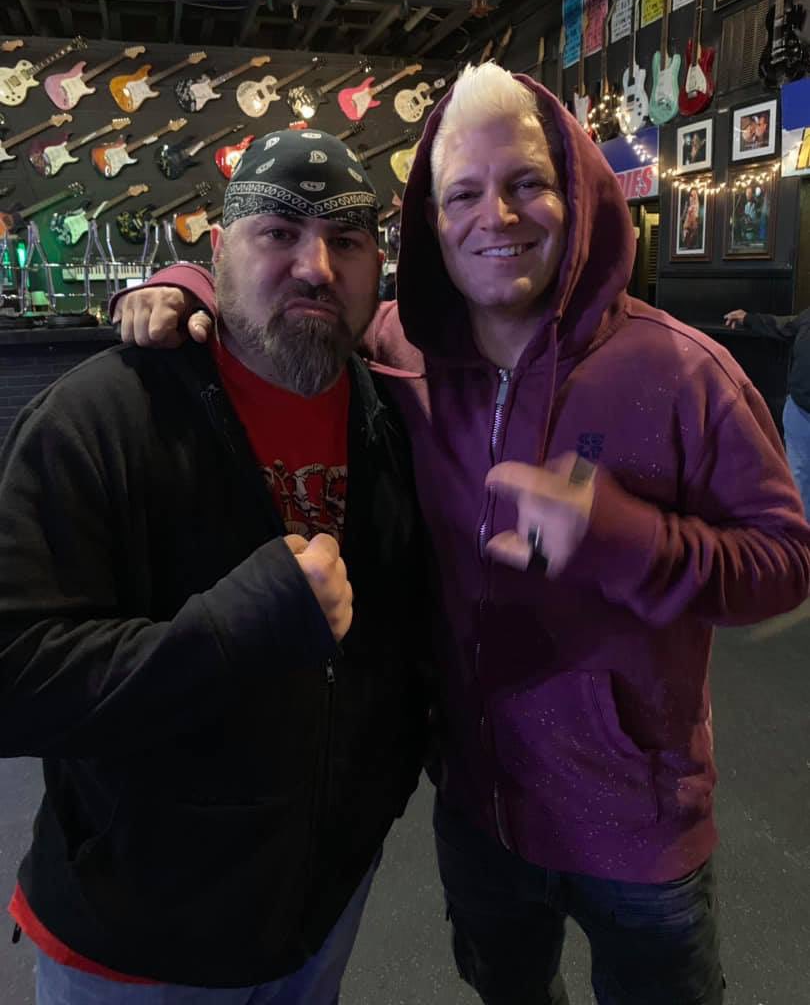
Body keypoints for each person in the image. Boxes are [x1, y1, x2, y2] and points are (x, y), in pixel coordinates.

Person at [112, 62, 810, 1005]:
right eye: (465, 194)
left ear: (581, 191)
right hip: (478, 806)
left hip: (638, 823)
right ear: (432, 220)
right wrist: (186, 280)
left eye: (527, 184)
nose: (499, 217)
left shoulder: (686, 371)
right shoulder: (399, 347)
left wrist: (626, 539)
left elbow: (785, 564)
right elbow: (289, 295)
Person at [0, 130, 429, 1001]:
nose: (315, 266)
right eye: (277, 231)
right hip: (136, 941)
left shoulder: (399, 421)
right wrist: (241, 627)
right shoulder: (99, 418)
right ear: (218, 250)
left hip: (321, 911)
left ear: (375, 265)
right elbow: (14, 678)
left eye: (345, 240)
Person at [725, 304, 810, 517]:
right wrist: (748, 319)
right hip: (800, 411)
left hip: (799, 408)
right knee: (798, 478)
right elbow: (785, 325)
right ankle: (800, 539)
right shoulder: (807, 316)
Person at [680, 185, 702, 249]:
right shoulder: (690, 206)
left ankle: (690, 244)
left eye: (694, 196)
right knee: (688, 230)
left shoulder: (695, 207)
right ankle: (687, 244)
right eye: (691, 196)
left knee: (693, 231)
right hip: (690, 216)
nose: (692, 198)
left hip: (693, 217)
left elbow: (696, 208)